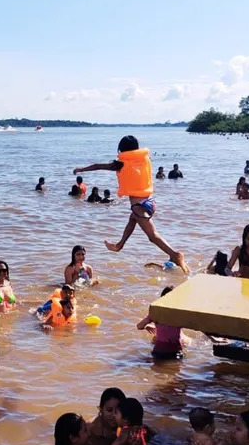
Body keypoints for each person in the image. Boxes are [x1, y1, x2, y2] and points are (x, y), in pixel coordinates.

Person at [74, 135, 188, 272]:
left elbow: (98, 166)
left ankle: (175, 255)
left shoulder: (120, 164)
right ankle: (119, 245)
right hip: (150, 202)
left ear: (122, 149)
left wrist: (81, 169)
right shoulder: (144, 160)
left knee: (153, 236)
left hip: (139, 206)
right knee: (132, 219)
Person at [137, 286, 185, 360]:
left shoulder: (156, 313)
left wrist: (146, 326)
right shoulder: (180, 314)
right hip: (175, 352)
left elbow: (139, 326)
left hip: (158, 352)